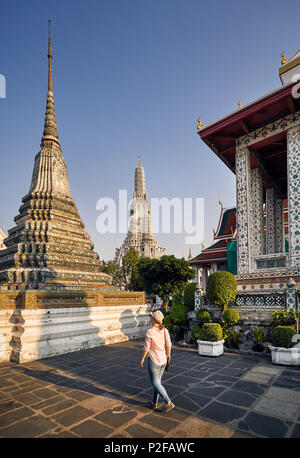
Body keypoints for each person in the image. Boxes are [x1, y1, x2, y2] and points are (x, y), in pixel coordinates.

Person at [140, 310, 175, 412]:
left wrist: (142, 358)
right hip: (163, 359)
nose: (150, 318)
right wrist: (168, 356)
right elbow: (168, 345)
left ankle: (168, 402)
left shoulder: (150, 332)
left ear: (154, 319)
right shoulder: (164, 330)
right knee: (158, 382)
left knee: (155, 383)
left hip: (154, 359)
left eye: (151, 316)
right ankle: (154, 402)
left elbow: (146, 348)